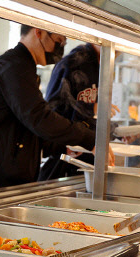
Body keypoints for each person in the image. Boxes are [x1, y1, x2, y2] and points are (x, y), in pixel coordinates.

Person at [0, 26, 114, 191]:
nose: (60, 49)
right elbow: (39, 118)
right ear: (38, 32)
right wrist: (89, 139)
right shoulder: (14, 67)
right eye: (58, 41)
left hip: (3, 179)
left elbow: (26, 125)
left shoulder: (23, 66)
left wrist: (61, 147)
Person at [38, 43, 119, 181]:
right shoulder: (72, 63)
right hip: (63, 161)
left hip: (84, 161)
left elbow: (88, 120)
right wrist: (91, 107)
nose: (119, 49)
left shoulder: (101, 66)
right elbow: (53, 109)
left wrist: (115, 132)